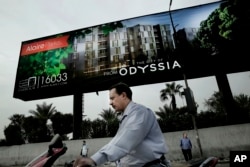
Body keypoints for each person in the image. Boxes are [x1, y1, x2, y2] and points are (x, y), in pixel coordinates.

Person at [73, 82, 171, 167]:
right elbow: (117, 144)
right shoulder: (126, 117)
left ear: (123, 95)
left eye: (112, 98)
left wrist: (94, 160)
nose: (110, 103)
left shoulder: (139, 112)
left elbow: (124, 141)